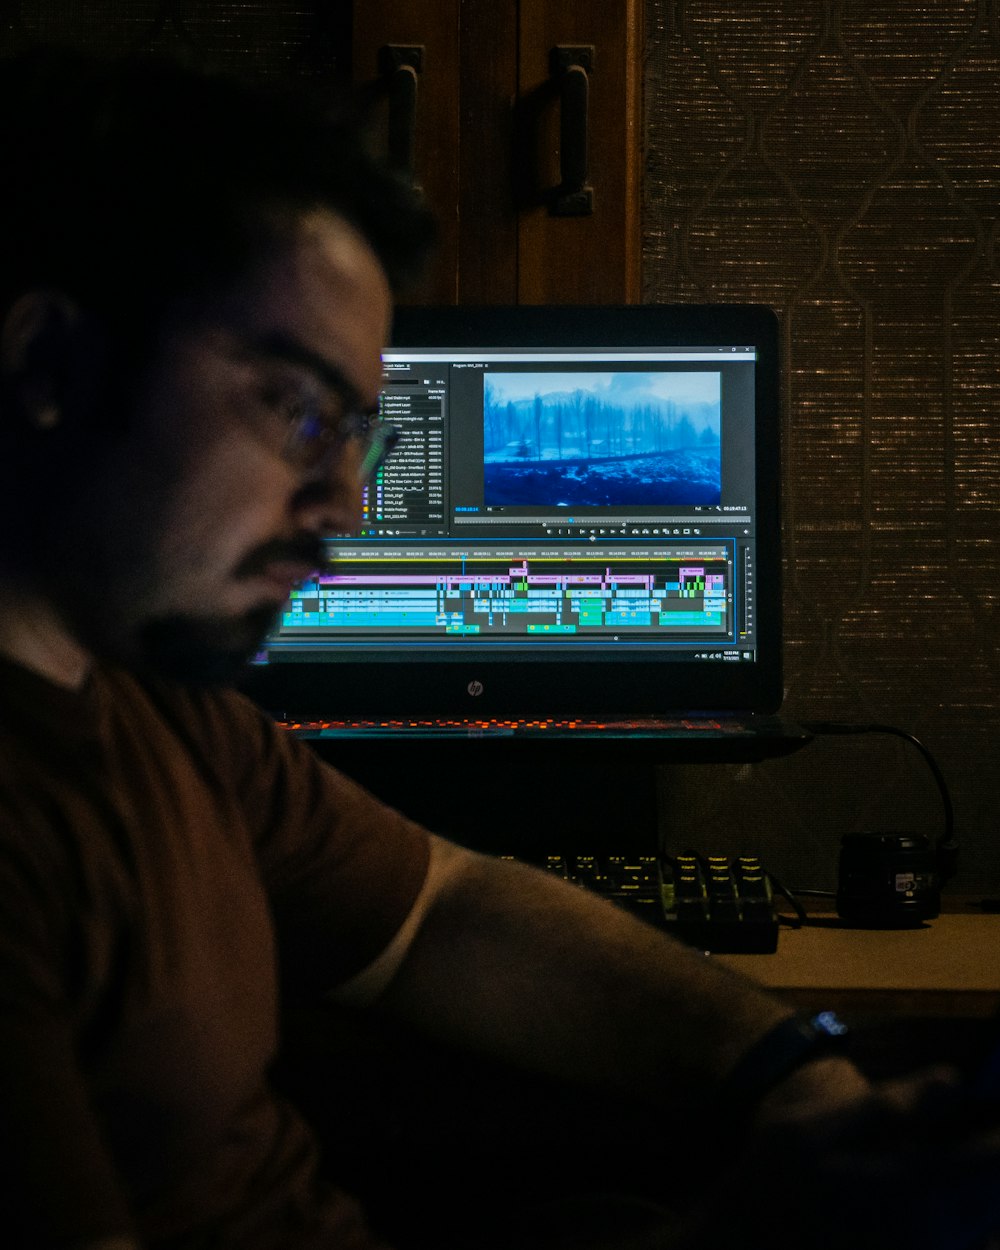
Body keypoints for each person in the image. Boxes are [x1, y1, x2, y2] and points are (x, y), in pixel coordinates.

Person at [0, 45, 998, 1250]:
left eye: (360, 437)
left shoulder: (160, 701)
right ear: (50, 361)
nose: (347, 506)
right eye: (298, 410)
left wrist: (790, 1066)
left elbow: (440, 910)